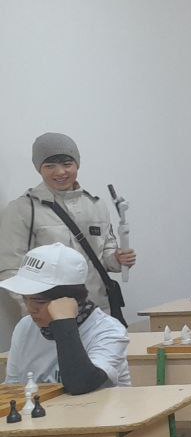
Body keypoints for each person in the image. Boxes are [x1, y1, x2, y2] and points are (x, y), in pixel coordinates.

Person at [0, 133, 136, 323]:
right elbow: (10, 269)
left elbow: (105, 255)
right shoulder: (23, 209)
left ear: (77, 165)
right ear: (39, 168)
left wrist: (117, 258)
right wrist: (36, 309)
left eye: (67, 164)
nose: (60, 172)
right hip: (51, 320)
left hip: (99, 314)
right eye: (50, 166)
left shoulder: (96, 205)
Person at [2, 243, 130, 393]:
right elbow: (13, 387)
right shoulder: (25, 326)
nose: (30, 309)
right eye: (25, 299)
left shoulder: (108, 331)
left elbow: (80, 384)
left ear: (70, 300)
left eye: (39, 302)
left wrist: (64, 323)